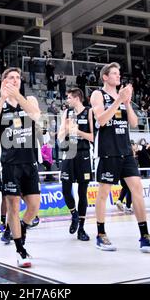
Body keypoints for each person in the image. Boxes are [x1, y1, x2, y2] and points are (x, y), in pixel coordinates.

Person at [90, 62, 150, 253]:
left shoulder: (121, 97)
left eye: (119, 73)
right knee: (103, 193)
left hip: (125, 151)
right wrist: (118, 101)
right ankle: (101, 235)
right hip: (107, 150)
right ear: (105, 77)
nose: (118, 76)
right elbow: (101, 120)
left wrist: (126, 102)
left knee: (137, 190)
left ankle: (145, 237)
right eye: (114, 73)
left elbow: (133, 123)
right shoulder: (98, 94)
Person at [0, 67, 41, 268]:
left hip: (29, 160)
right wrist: (1, 99)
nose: (15, 80)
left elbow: (35, 115)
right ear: (3, 81)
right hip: (10, 163)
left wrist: (16, 94)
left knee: (34, 205)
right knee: (13, 206)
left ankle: (23, 228)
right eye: (11, 77)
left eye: (18, 77)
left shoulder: (30, 100)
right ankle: (20, 249)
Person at [58, 88, 94, 241]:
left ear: (77, 98)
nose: (67, 100)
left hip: (84, 155)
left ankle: (82, 228)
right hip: (69, 153)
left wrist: (77, 131)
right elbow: (60, 138)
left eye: (69, 97)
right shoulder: (66, 113)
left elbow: (92, 137)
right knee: (65, 189)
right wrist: (66, 130)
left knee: (82, 192)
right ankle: (74, 215)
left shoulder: (89, 112)